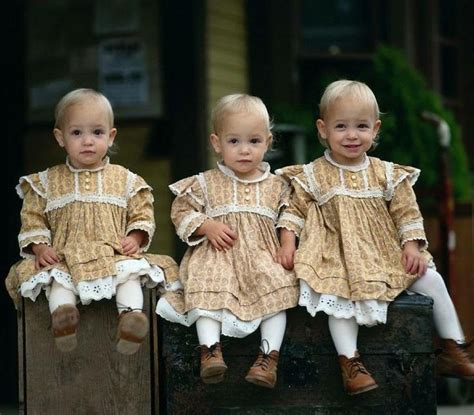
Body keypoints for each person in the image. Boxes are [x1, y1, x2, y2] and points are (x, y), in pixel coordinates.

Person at [276, 79, 474, 395]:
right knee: (340, 301)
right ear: (323, 129)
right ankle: (350, 362)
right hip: (338, 255)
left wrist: (411, 246)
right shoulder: (314, 174)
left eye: (361, 126)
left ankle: (453, 348)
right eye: (341, 126)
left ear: (375, 129)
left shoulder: (387, 173)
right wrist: (288, 242)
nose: (352, 135)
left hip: (384, 253)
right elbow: (292, 211)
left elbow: (407, 212)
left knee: (431, 279)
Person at [5, 88, 177, 355]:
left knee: (130, 275)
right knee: (57, 280)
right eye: (77, 133)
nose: (88, 141)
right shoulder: (47, 182)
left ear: (110, 136)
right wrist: (40, 248)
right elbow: (32, 217)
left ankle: (130, 320)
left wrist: (135, 237)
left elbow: (141, 212)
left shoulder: (126, 180)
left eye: (97, 133)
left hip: (112, 252)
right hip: (65, 254)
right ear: (60, 137)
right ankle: (64, 319)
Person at [156, 93, 299, 388]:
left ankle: (268, 356)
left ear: (268, 143)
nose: (244, 150)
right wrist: (206, 225)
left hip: (262, 256)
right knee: (205, 288)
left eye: (254, 142)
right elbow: (181, 211)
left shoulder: (278, 186)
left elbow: (291, 216)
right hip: (218, 256)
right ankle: (210, 351)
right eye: (234, 141)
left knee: (278, 291)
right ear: (217, 142)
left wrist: (287, 245)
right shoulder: (205, 182)